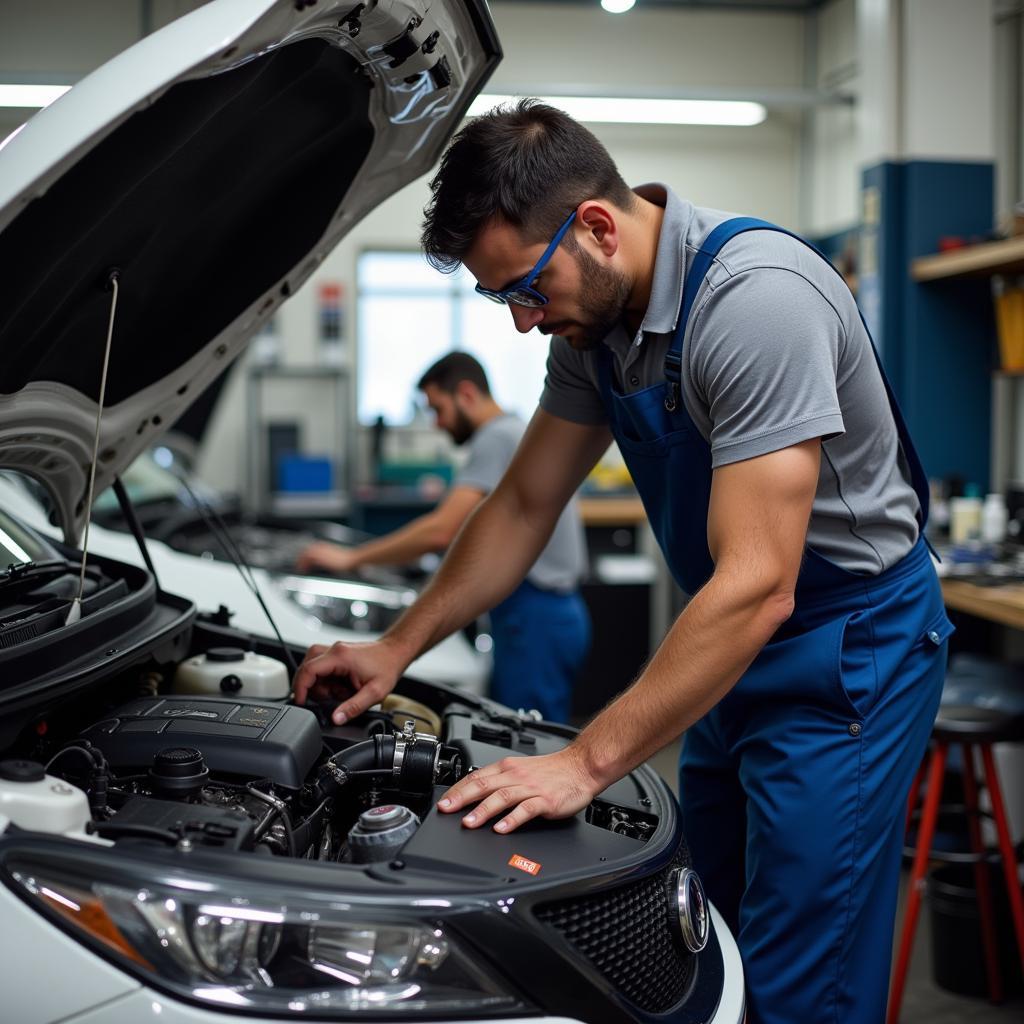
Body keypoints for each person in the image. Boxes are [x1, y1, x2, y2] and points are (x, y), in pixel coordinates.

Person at [293, 101, 952, 1024]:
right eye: (501, 300)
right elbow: (520, 505)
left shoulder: (755, 300)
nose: (522, 323)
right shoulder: (596, 330)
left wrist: (585, 761)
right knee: (699, 927)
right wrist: (396, 649)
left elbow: (762, 580)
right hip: (729, 636)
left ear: (597, 227)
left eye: (524, 287)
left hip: (847, 648)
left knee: (806, 967)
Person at [296, 351, 590, 723]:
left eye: (438, 409)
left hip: (535, 617)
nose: (437, 423)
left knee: (527, 744)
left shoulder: (496, 437)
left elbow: (442, 529)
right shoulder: (516, 430)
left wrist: (351, 558)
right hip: (546, 615)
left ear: (466, 394)